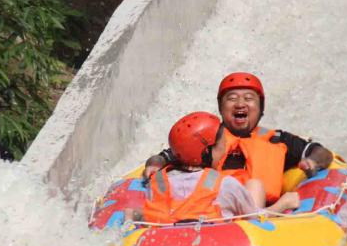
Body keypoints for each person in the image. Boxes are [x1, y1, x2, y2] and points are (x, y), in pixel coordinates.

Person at [143, 72, 334, 205]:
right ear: (220, 107)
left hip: (259, 214)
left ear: (260, 108)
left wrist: (312, 161)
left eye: (249, 98)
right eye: (232, 98)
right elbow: (166, 156)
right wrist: (154, 164)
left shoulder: (278, 140)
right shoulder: (207, 137)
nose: (240, 104)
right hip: (210, 209)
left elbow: (321, 152)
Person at [135, 112, 299, 224]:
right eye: (222, 144)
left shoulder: (157, 182)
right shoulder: (225, 184)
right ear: (208, 151)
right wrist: (283, 204)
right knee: (254, 186)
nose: (226, 147)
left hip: (167, 244)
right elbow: (253, 217)